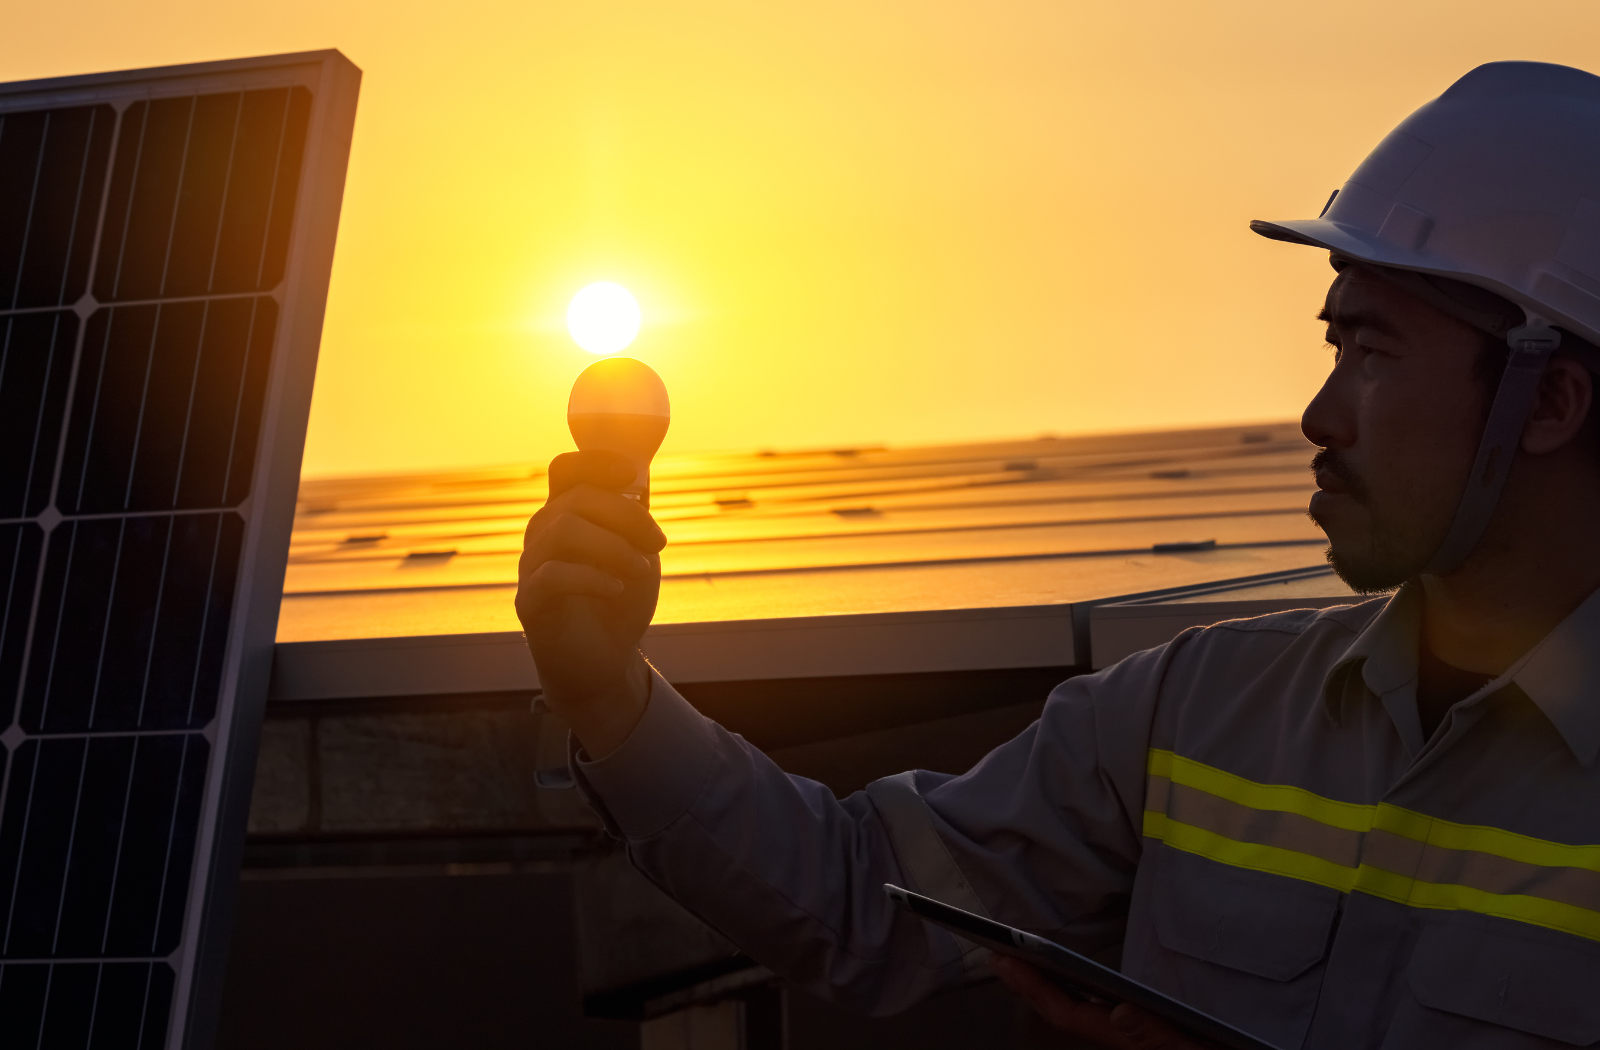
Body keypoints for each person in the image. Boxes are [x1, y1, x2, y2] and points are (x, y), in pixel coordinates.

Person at [516, 61, 1600, 1049]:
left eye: (1373, 354)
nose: (1319, 416)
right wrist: (611, 696)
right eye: (1333, 345)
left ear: (1547, 400)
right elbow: (863, 903)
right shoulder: (1193, 716)